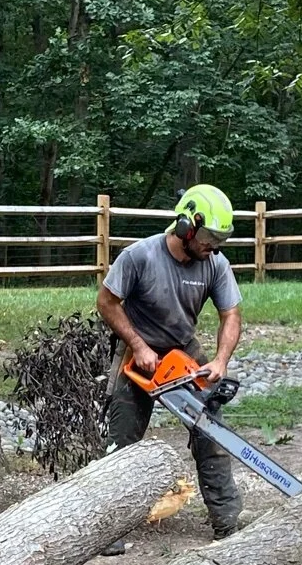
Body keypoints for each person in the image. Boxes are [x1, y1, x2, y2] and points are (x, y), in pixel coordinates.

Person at [96, 182, 245, 540]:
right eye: (209, 238)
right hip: (137, 352)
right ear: (186, 226)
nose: (213, 247)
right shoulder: (139, 256)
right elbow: (106, 302)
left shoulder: (215, 264)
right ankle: (109, 531)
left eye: (220, 241)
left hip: (183, 349)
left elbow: (231, 315)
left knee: (211, 432)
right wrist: (138, 345)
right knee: (121, 442)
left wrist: (221, 360)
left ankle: (226, 521)